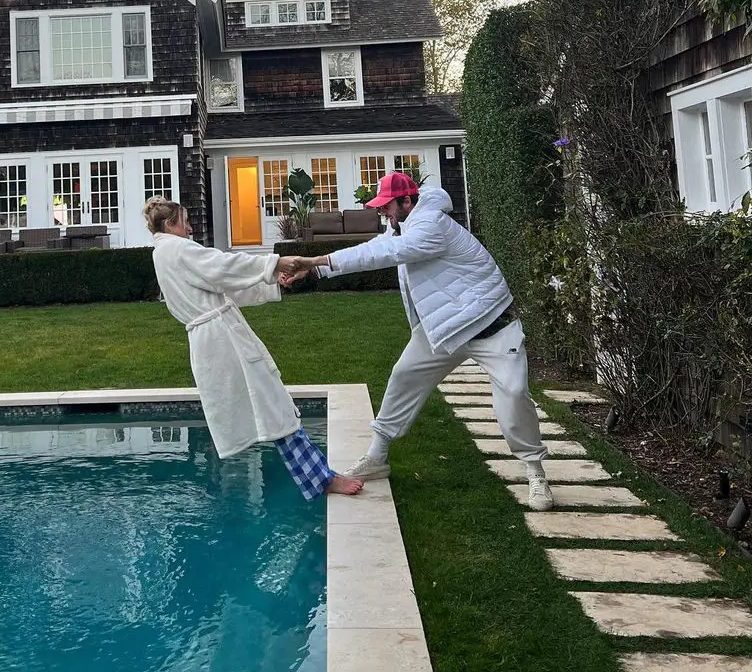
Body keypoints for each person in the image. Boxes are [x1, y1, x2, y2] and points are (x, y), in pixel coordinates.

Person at [287, 172, 555, 512]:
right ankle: (377, 456)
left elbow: (386, 255)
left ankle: (535, 471)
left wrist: (315, 260)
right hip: (444, 327)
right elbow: (377, 247)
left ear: (407, 201)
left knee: (514, 394)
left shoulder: (431, 226)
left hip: (492, 324)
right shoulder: (402, 225)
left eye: (387, 206)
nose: (382, 212)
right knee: (403, 377)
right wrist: (316, 270)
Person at [144, 196, 364, 500]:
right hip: (223, 342)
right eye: (185, 221)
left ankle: (319, 476)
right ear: (170, 224)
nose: (191, 227)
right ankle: (322, 479)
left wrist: (272, 281)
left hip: (212, 341)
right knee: (275, 407)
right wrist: (274, 264)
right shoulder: (177, 249)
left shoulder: (164, 253)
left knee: (272, 407)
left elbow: (219, 285)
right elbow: (223, 266)